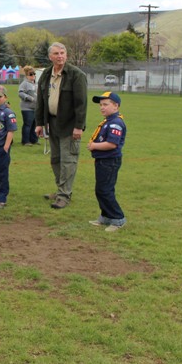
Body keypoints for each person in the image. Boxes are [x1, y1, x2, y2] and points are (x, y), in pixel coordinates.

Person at [35, 42, 88, 209]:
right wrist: (39, 123)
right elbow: (41, 100)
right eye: (56, 54)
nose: (60, 56)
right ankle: (60, 190)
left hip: (70, 124)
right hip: (52, 122)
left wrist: (79, 126)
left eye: (62, 53)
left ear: (66, 55)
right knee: (56, 159)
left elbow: (81, 104)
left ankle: (64, 195)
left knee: (68, 160)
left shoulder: (76, 75)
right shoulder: (45, 75)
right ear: (50, 57)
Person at [87, 91, 127, 232]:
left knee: (105, 190)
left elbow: (112, 144)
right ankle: (105, 216)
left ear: (116, 106)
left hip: (109, 161)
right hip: (102, 160)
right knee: (100, 190)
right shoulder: (108, 121)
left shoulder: (115, 123)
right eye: (100, 105)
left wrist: (94, 146)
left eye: (105, 104)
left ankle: (118, 218)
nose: (102, 107)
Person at [17, 65, 39, 146]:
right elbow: (20, 93)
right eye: (31, 74)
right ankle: (25, 141)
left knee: (35, 124)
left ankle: (34, 140)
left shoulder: (36, 84)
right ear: (26, 75)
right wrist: (29, 98)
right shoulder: (24, 84)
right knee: (28, 124)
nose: (33, 76)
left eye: (34, 74)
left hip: (36, 107)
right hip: (27, 108)